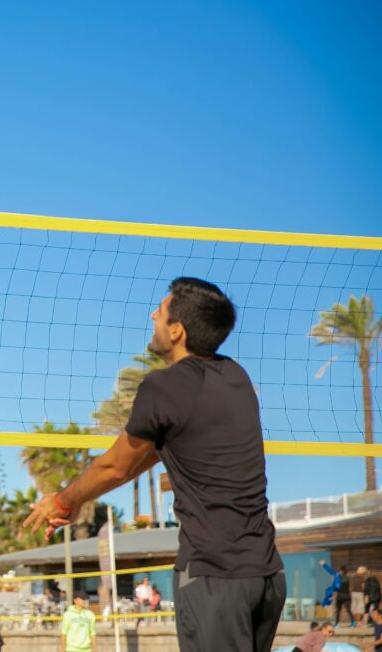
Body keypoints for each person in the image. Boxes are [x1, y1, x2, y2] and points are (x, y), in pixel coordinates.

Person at [25, 277, 286, 651]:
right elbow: (140, 459)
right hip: (268, 575)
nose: (152, 315)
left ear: (177, 331)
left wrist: (64, 500)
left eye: (160, 312)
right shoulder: (236, 376)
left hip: (215, 575)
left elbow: (115, 466)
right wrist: (79, 499)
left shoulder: (165, 387)